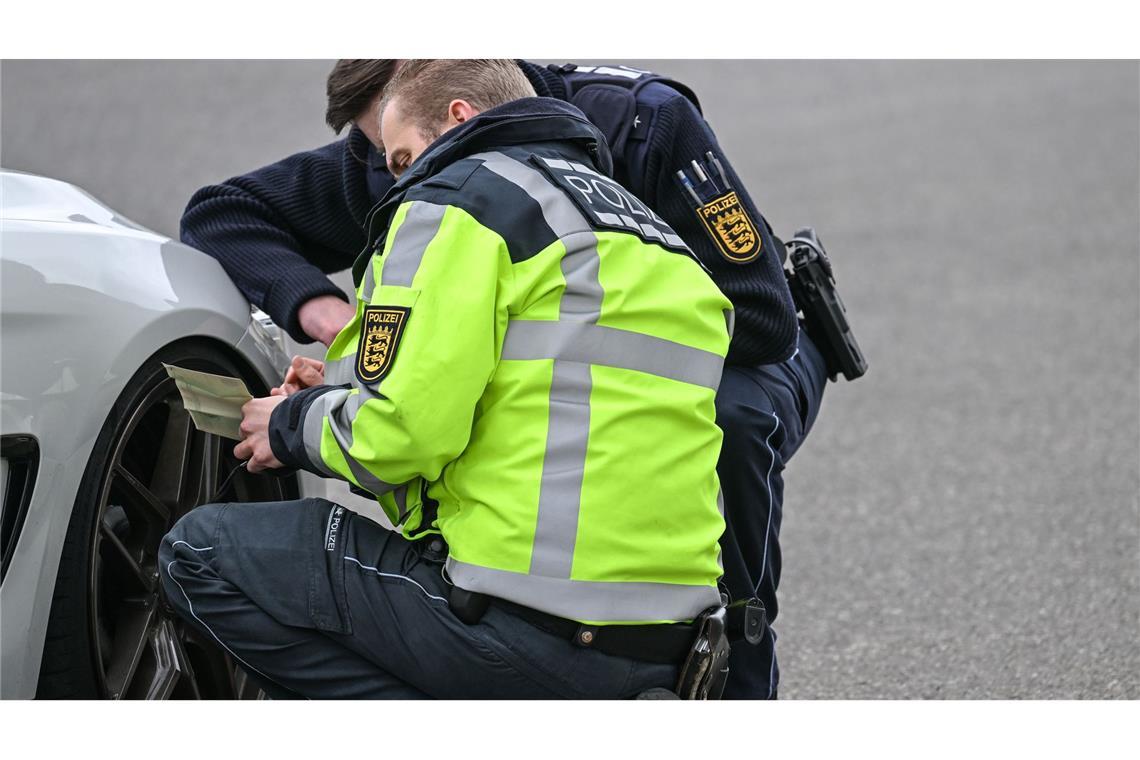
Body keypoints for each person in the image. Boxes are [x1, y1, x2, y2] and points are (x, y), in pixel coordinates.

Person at [181, 59, 830, 698]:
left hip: (757, 359)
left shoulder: (623, 129)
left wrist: (297, 421)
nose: (393, 180)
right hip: (659, 638)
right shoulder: (646, 230)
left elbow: (400, 437)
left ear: (452, 109)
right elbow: (226, 212)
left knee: (199, 553)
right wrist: (363, 347)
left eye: (400, 156)